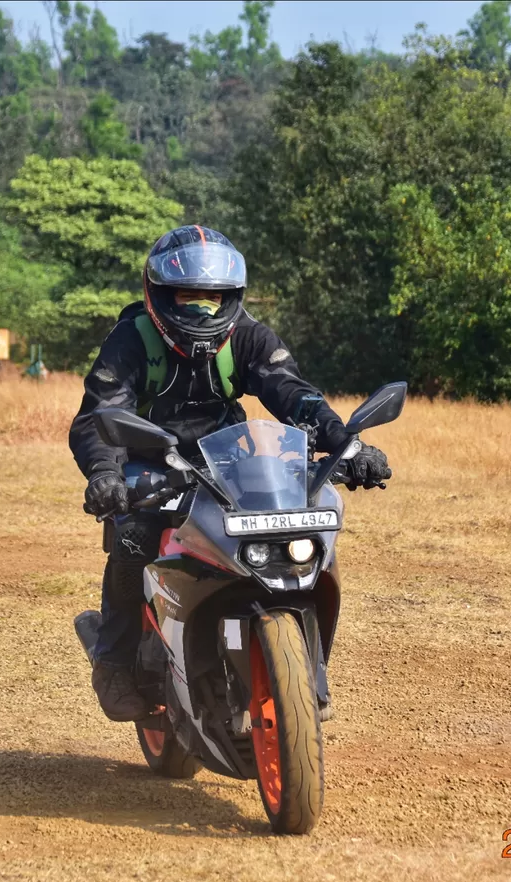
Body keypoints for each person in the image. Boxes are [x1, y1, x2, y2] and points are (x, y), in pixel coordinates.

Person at [68, 225, 392, 721]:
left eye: (214, 299)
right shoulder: (131, 339)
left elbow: (293, 394)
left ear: (232, 298)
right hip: (148, 458)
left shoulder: (248, 337)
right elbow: (99, 415)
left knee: (295, 527)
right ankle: (114, 662)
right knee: (133, 535)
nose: (202, 310)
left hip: (228, 456)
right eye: (189, 297)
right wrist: (104, 474)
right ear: (158, 294)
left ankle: (305, 670)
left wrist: (347, 445)